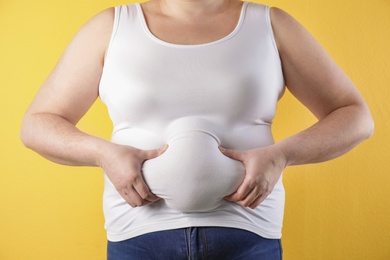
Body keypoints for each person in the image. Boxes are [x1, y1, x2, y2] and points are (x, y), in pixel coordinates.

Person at [20, 0, 374, 259]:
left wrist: (281, 155)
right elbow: (38, 124)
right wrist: (104, 154)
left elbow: (355, 116)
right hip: (138, 239)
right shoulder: (112, 26)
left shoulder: (270, 24)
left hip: (248, 237)